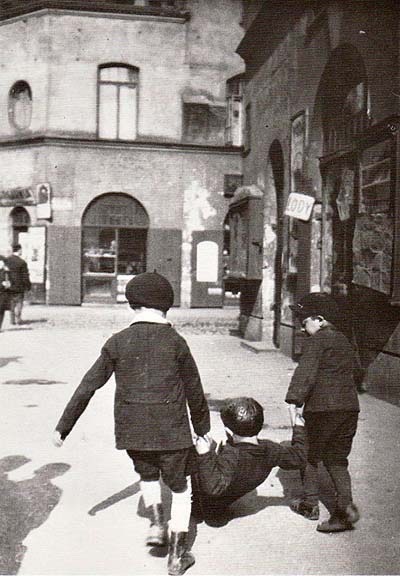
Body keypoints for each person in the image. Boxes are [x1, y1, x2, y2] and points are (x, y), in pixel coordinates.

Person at [52, 272, 210, 576]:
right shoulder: (177, 342)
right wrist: (202, 431)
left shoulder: (118, 341)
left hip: (132, 431)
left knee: (148, 474)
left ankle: (155, 523)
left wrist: (64, 426)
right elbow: (194, 391)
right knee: (180, 488)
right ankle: (177, 557)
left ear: (131, 305)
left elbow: (88, 385)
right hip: (173, 433)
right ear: (167, 306)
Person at [285, 292, 360, 533]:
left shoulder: (317, 341)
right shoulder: (345, 341)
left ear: (319, 319)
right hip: (349, 408)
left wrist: (295, 400)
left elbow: (306, 372)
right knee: (337, 459)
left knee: (308, 455)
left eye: (304, 321)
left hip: (323, 409)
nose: (302, 328)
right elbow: (357, 371)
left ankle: (310, 504)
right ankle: (345, 508)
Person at [192, 397, 306, 521]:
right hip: (228, 495)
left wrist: (204, 454)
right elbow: (299, 456)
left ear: (228, 432)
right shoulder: (269, 450)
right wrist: (298, 426)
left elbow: (213, 487)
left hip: (207, 504)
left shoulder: (232, 455)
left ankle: (194, 510)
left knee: (190, 449)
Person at [6, 244, 31, 325]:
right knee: (19, 302)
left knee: (11, 302)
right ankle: (18, 319)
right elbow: (25, 275)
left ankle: (12, 320)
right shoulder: (22, 262)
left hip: (9, 285)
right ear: (19, 250)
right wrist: (28, 285)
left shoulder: (7, 260)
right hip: (19, 285)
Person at [0, 255, 11, 332]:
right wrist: (1, 284)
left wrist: (9, 284)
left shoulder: (6, 272)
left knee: (1, 310)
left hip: (3, 294)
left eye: (2, 263)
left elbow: (11, 280)